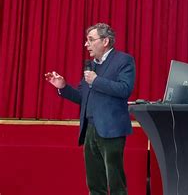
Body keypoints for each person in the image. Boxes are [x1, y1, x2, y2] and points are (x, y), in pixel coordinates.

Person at [45, 23, 136, 195]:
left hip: (111, 130)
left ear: (105, 41)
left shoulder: (123, 60)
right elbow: (82, 97)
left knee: (116, 184)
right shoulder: (92, 65)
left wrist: (96, 81)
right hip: (90, 130)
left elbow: (125, 89)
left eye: (90, 40)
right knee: (94, 184)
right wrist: (63, 87)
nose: (86, 44)